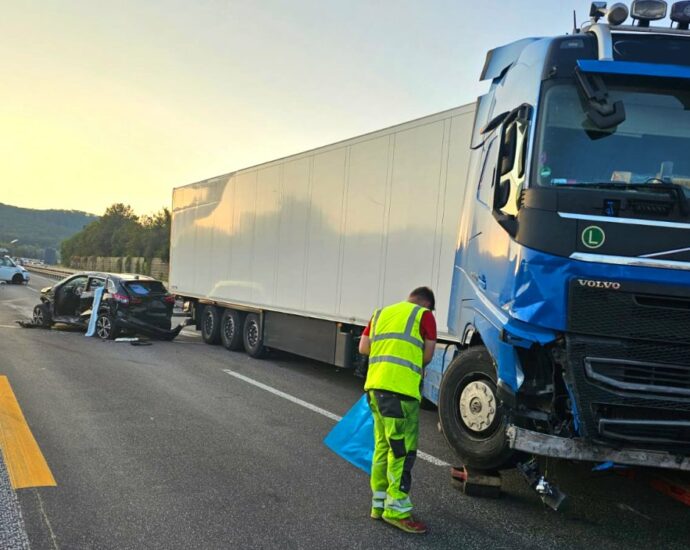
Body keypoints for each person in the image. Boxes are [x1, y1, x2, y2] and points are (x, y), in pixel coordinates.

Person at [358, 286, 437, 534]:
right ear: (427, 304)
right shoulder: (424, 316)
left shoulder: (380, 313)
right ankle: (397, 511)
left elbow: (363, 347)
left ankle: (378, 505)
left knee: (382, 447)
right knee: (401, 452)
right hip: (400, 394)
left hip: (374, 389)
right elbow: (427, 356)